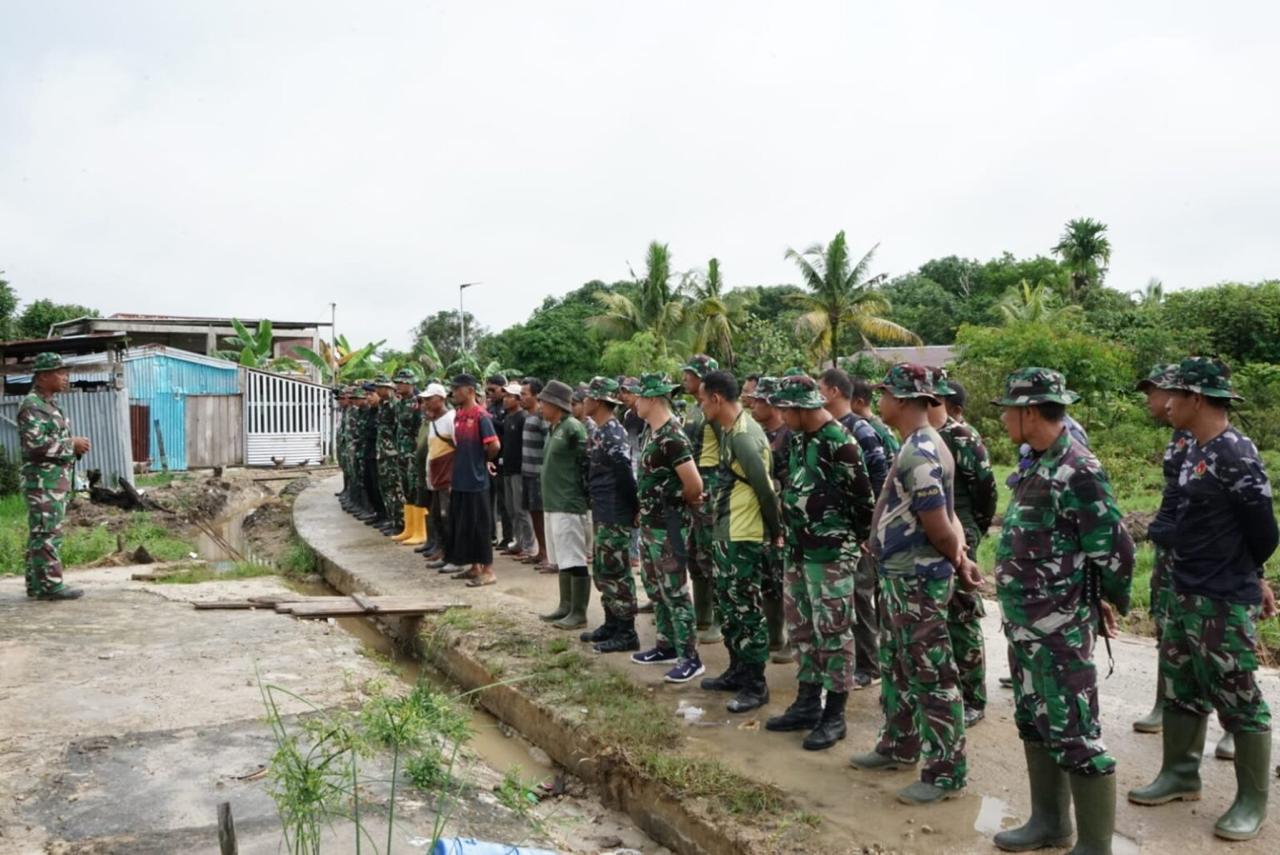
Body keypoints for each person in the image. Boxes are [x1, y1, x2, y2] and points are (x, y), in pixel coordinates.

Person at [1130, 357, 1278, 842]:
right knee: (1182, 685)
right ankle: (1180, 774)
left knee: (1237, 694)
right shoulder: (1195, 447)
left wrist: (1246, 574)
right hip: (1185, 588)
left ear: (1196, 399)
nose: (1167, 402)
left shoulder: (1235, 453)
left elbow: (1264, 531)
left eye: (1175, 395)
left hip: (1222, 596)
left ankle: (1251, 802)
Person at [987, 367, 1134, 853]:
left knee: (1076, 733)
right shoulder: (1038, 463)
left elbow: (1115, 550)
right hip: (1026, 628)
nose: (1003, 419)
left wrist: (1100, 601)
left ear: (1030, 412)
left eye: (1009, 410)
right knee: (1034, 721)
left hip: (1059, 632)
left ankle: (1095, 846)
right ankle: (1049, 823)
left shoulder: (1078, 468)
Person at [850, 363, 973, 805]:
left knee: (931, 674)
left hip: (918, 582)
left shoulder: (920, 452)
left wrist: (957, 558)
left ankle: (945, 772)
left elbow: (939, 524)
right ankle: (898, 744)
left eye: (884, 394)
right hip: (902, 579)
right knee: (899, 666)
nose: (879, 400)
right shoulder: (919, 443)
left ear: (901, 400)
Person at [764, 374, 874, 751]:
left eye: (785, 409)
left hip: (830, 553)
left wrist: (850, 544)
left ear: (802, 408)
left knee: (834, 631)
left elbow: (863, 501)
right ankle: (807, 702)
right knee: (802, 629)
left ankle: (835, 714)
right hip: (798, 550)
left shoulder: (840, 443)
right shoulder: (799, 438)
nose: (781, 416)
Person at [697, 370, 781, 713]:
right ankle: (737, 669)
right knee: (729, 607)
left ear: (717, 399)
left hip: (744, 534)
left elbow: (766, 490)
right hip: (727, 531)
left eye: (702, 400)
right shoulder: (731, 431)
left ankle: (756, 684)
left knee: (745, 609)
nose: (700, 406)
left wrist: (775, 532)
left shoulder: (745, 436)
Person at [930, 369, 998, 727]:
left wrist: (972, 532)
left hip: (961, 528)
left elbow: (986, 490)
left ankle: (973, 697)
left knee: (961, 613)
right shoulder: (919, 436)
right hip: (931, 529)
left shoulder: (961, 436)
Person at [630, 373, 706, 684]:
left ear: (651, 399)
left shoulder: (673, 437)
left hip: (669, 526)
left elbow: (694, 485)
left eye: (639, 397)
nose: (635, 402)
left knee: (675, 590)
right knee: (655, 587)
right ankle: (666, 645)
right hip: (651, 524)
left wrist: (672, 505)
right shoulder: (651, 433)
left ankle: (690, 657)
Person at [820, 367, 892, 690]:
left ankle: (869, 665)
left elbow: (880, 480)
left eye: (820, 388)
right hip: (839, 531)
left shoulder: (860, 430)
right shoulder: (828, 428)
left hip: (860, 530)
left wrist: (870, 530)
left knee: (861, 595)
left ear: (834, 392)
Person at [1131, 363, 1192, 735]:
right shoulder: (1178, 436)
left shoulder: (1204, 437)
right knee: (1166, 625)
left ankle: (1234, 723)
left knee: (1212, 637)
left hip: (1198, 551)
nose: (1150, 400)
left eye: (1153, 392)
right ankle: (1165, 703)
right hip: (1171, 548)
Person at [20, 352, 90, 601]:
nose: (65, 377)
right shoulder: (32, 405)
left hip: (53, 481)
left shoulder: (50, 404)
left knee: (42, 533)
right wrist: (72, 444)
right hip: (42, 483)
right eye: (60, 372)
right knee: (47, 534)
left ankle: (37, 585)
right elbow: (35, 445)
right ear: (43, 376)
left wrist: (73, 449)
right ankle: (50, 586)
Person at [578, 376, 641, 653]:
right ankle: (612, 623)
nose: (584, 401)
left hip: (615, 510)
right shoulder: (600, 430)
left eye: (588, 397)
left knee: (616, 571)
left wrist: (633, 508)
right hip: (603, 509)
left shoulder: (613, 432)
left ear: (599, 401)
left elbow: (624, 474)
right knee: (604, 570)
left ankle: (627, 632)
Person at [536, 379, 593, 629]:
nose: (540, 407)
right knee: (561, 557)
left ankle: (579, 612)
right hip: (553, 503)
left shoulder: (573, 428)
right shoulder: (554, 428)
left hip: (568, 503)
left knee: (574, 558)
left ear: (556, 405)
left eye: (544, 402)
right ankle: (565, 605)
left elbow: (586, 463)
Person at [745, 377, 793, 664]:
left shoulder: (790, 436)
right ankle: (775, 636)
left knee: (784, 578)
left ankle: (790, 638)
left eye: (759, 401)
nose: (753, 405)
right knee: (767, 578)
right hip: (761, 516)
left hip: (784, 516)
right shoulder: (759, 434)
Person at [681, 354, 723, 644]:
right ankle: (703, 614)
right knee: (695, 553)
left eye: (691, 374)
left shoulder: (715, 411)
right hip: (693, 486)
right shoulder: (694, 409)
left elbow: (725, 450)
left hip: (710, 487)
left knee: (711, 555)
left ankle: (720, 619)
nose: (685, 378)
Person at [444, 374, 501, 586]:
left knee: (480, 526)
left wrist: (482, 460)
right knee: (465, 524)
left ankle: (488, 570)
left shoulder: (481, 416)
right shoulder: (458, 416)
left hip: (477, 481)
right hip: (460, 479)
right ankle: (474, 567)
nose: (454, 393)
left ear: (469, 391)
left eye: (457, 389)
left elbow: (494, 445)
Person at [421, 383, 458, 571]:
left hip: (447, 477)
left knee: (447, 516)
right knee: (437, 515)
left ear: (441, 399)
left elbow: (458, 448)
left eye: (429, 399)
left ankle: (453, 555)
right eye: (425, 399)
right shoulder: (434, 420)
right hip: (435, 476)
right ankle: (443, 550)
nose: (426, 403)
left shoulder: (451, 419)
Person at [499, 382, 537, 560]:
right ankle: (518, 541)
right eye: (505, 396)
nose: (505, 399)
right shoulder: (508, 418)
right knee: (510, 508)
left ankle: (529, 545)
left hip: (519, 469)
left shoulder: (523, 417)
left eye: (509, 396)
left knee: (521, 509)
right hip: (507, 468)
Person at [520, 377, 551, 570]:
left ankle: (548, 554)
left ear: (536, 395)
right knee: (534, 513)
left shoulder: (541, 415)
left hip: (538, 473)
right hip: (528, 472)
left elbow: (548, 443)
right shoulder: (528, 415)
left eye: (524, 394)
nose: (521, 397)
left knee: (541, 514)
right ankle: (541, 551)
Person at [392, 370, 425, 545]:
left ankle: (421, 531)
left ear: (411, 383)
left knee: (416, 489)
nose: (398, 385)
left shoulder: (418, 403)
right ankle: (409, 528)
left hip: (413, 453)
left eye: (402, 382)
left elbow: (421, 430)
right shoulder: (400, 404)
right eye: (397, 382)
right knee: (405, 489)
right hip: (402, 453)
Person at [485, 374, 512, 551]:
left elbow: (504, 429)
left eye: (493, 390)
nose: (490, 393)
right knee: (489, 500)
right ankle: (491, 535)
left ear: (503, 389)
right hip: (491, 458)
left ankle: (508, 537)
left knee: (504, 502)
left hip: (504, 458)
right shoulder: (492, 407)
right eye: (488, 390)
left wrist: (489, 419)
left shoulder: (507, 407)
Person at [850, 375, 900, 457]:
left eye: (846, 399)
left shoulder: (880, 430)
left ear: (859, 402)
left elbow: (894, 459)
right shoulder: (854, 425)